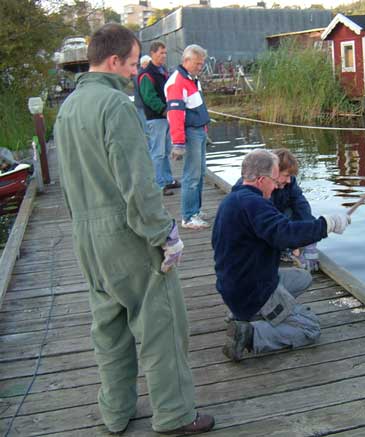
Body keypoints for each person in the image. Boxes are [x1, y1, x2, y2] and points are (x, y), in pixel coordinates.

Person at [54, 24, 214, 435]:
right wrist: (166, 234)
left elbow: (69, 182)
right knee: (161, 324)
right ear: (112, 61)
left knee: (108, 329)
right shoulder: (116, 106)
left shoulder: (68, 109)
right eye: (130, 64)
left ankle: (116, 411)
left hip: (86, 237)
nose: (133, 72)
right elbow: (139, 186)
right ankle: (175, 415)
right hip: (125, 234)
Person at [212, 149, 351, 362]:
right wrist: (328, 224)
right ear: (260, 180)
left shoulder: (234, 199)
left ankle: (244, 314)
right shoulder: (255, 204)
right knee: (310, 328)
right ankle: (249, 335)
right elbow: (285, 234)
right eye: (274, 180)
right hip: (253, 289)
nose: (278, 185)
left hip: (234, 284)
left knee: (302, 277)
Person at [233, 148, 320, 271]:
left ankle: (287, 249)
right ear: (275, 171)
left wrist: (310, 235)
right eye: (286, 175)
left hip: (275, 218)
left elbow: (301, 205)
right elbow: (266, 220)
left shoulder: (289, 183)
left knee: (294, 212)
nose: (289, 180)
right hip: (252, 235)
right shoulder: (247, 188)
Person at [165, 45, 211, 230]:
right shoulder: (178, 82)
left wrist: (205, 130)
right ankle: (188, 216)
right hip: (190, 132)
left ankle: (195, 210)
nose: (200, 67)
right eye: (198, 63)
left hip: (198, 130)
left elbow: (197, 107)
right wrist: (178, 143)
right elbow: (175, 114)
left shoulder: (192, 79)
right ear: (186, 61)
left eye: (202, 63)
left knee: (199, 173)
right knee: (191, 176)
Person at [139, 41, 179, 196]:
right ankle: (159, 184)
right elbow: (149, 97)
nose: (164, 56)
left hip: (166, 117)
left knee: (166, 150)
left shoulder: (162, 71)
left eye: (165, 53)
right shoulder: (147, 74)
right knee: (157, 152)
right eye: (161, 53)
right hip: (156, 118)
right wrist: (163, 109)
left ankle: (168, 179)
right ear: (153, 53)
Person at [132, 54, 150, 132]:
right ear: (144, 64)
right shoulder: (140, 75)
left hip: (140, 104)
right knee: (145, 128)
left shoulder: (139, 74)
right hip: (141, 105)